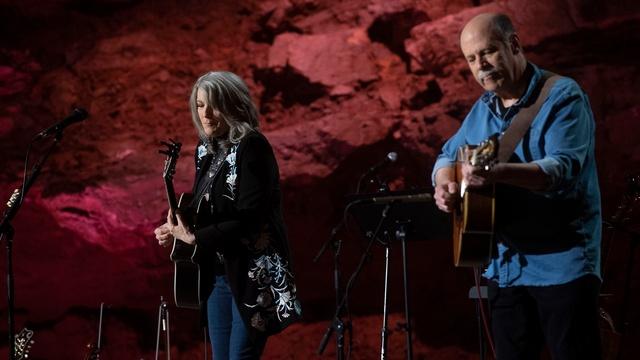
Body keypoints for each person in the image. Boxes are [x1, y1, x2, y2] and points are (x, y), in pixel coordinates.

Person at [431, 13, 602, 360]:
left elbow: (560, 169)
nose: (481, 65)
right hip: (506, 270)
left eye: (488, 52)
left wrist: (498, 172)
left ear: (513, 45)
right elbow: (446, 156)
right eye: (471, 59)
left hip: (561, 267)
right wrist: (444, 185)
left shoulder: (562, 96)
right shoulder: (483, 110)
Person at [154, 71, 302, 359]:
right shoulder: (205, 149)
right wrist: (174, 226)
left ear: (234, 105)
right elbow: (206, 207)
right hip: (218, 276)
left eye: (214, 104)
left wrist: (195, 238)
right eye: (199, 105)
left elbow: (250, 217)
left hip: (253, 276)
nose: (206, 114)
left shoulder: (252, 146)